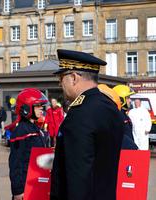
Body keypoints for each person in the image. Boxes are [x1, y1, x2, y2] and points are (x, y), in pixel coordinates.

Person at [50, 49, 124, 200]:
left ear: (74, 77)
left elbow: (77, 177)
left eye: (61, 77)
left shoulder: (79, 114)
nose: (59, 83)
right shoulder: (109, 107)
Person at [8, 88, 48, 200]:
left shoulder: (36, 128)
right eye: (38, 105)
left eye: (41, 105)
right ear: (26, 108)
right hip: (25, 186)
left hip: (37, 182)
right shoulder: (21, 131)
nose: (42, 108)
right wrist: (18, 191)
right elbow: (15, 163)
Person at [113, 84, 139, 150]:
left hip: (127, 153)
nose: (130, 100)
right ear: (121, 99)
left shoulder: (123, 113)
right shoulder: (116, 115)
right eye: (128, 98)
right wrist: (133, 147)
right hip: (122, 153)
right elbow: (120, 136)